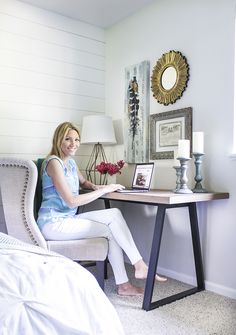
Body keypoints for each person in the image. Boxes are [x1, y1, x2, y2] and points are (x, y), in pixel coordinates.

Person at [37, 121, 166, 296]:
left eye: (76, 139)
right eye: (68, 139)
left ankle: (133, 272)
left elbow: (84, 182)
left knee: (114, 215)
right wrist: (105, 189)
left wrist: (96, 186)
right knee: (110, 228)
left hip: (68, 220)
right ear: (58, 140)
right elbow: (71, 202)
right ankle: (133, 274)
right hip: (53, 224)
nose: (73, 144)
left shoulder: (72, 164)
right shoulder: (53, 162)